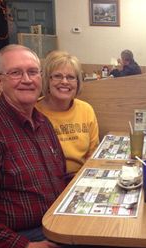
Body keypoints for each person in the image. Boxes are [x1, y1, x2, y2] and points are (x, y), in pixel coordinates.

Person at [0, 44, 67, 248]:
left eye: (32, 72)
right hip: (21, 238)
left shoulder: (42, 122)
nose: (27, 80)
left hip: (55, 224)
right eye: (16, 73)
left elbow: (58, 178)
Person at [36, 50, 99, 180]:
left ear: (78, 82)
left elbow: (93, 155)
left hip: (80, 179)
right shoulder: (33, 112)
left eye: (71, 77)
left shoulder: (86, 110)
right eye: (57, 76)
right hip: (48, 182)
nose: (65, 82)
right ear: (47, 79)